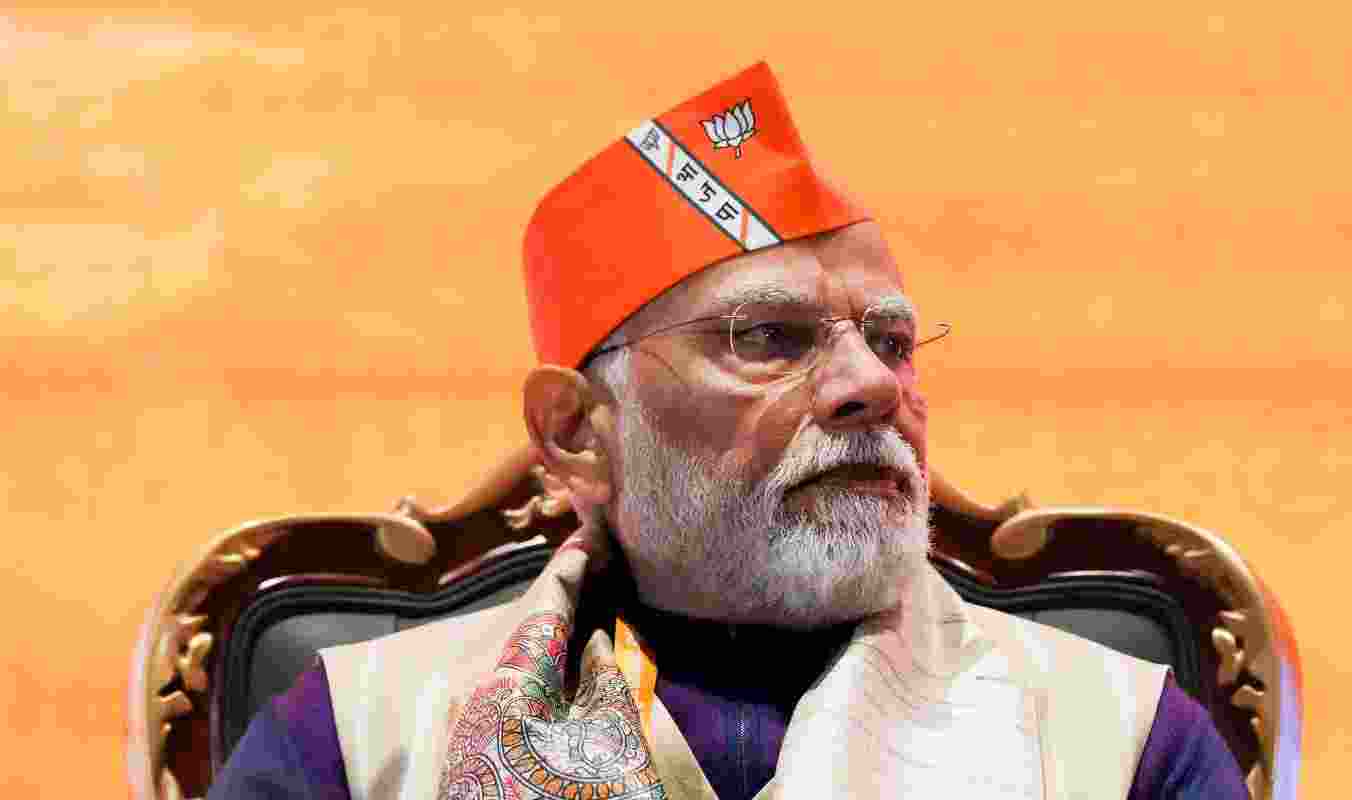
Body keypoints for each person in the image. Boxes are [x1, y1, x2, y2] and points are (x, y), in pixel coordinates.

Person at [209, 62, 1248, 800]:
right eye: (767, 336)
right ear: (576, 431)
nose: (867, 385)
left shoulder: (1115, 742)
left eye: (892, 341)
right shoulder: (363, 739)